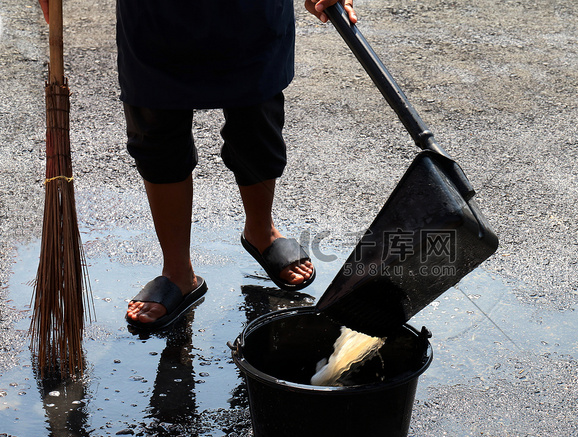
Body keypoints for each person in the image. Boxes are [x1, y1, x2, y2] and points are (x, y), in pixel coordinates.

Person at [38, 0, 358, 330]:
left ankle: (261, 231)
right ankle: (178, 271)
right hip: (155, 18)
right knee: (156, 121)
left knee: (257, 117)